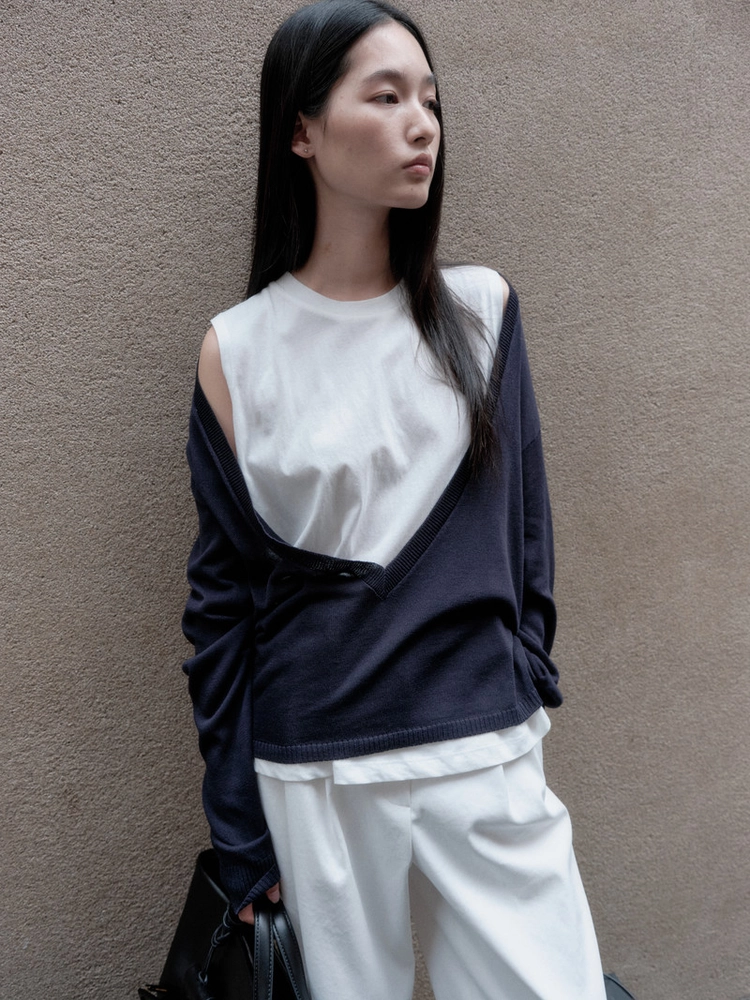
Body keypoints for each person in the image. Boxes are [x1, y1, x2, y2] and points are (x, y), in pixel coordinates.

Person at [182, 1, 606, 997]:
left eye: (431, 100)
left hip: (485, 746)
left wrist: (522, 664)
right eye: (386, 97)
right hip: (315, 773)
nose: (423, 124)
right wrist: (240, 834)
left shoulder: (482, 312)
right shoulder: (238, 350)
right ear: (301, 129)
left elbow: (527, 533)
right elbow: (222, 603)